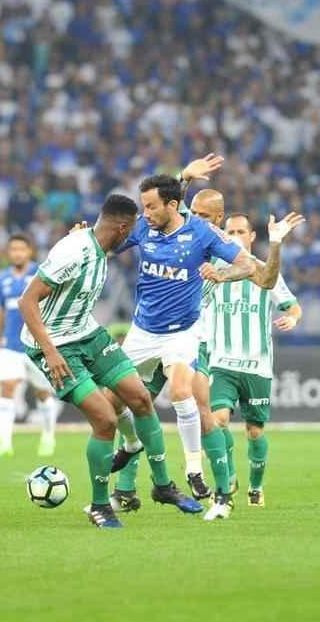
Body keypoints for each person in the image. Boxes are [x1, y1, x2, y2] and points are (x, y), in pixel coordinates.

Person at [110, 156, 292, 501]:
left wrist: (268, 249)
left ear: (218, 220)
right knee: (139, 404)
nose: (193, 218)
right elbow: (167, 207)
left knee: (204, 410)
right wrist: (184, 176)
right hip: (154, 332)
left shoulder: (219, 244)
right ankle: (125, 489)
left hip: (195, 338)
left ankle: (219, 486)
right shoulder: (178, 226)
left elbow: (266, 278)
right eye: (190, 209)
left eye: (203, 215)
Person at [18, 193, 201, 529]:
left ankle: (162, 486)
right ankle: (101, 505)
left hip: (87, 333)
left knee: (141, 398)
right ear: (121, 228)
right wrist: (50, 352)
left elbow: (164, 211)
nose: (133, 235)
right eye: (131, 229)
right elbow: (27, 301)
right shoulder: (73, 251)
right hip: (55, 345)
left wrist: (183, 183)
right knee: (104, 419)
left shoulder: (100, 245)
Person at [201, 213, 303, 518]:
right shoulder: (212, 269)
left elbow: (293, 305)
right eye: (229, 231)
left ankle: (256, 487)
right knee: (217, 420)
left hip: (257, 366)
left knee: (254, 431)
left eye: (240, 231)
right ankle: (228, 476)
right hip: (222, 364)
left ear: (251, 237)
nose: (233, 235)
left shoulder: (265, 271)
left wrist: (293, 318)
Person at [0, 235, 60, 458]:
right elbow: (1, 310)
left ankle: (48, 436)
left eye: (21, 249)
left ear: (30, 251)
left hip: (36, 344)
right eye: (13, 249)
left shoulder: (42, 273)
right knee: (6, 388)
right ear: (9, 253)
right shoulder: (2, 279)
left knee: (42, 393)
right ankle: (4, 443)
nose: (17, 253)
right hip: (10, 344)